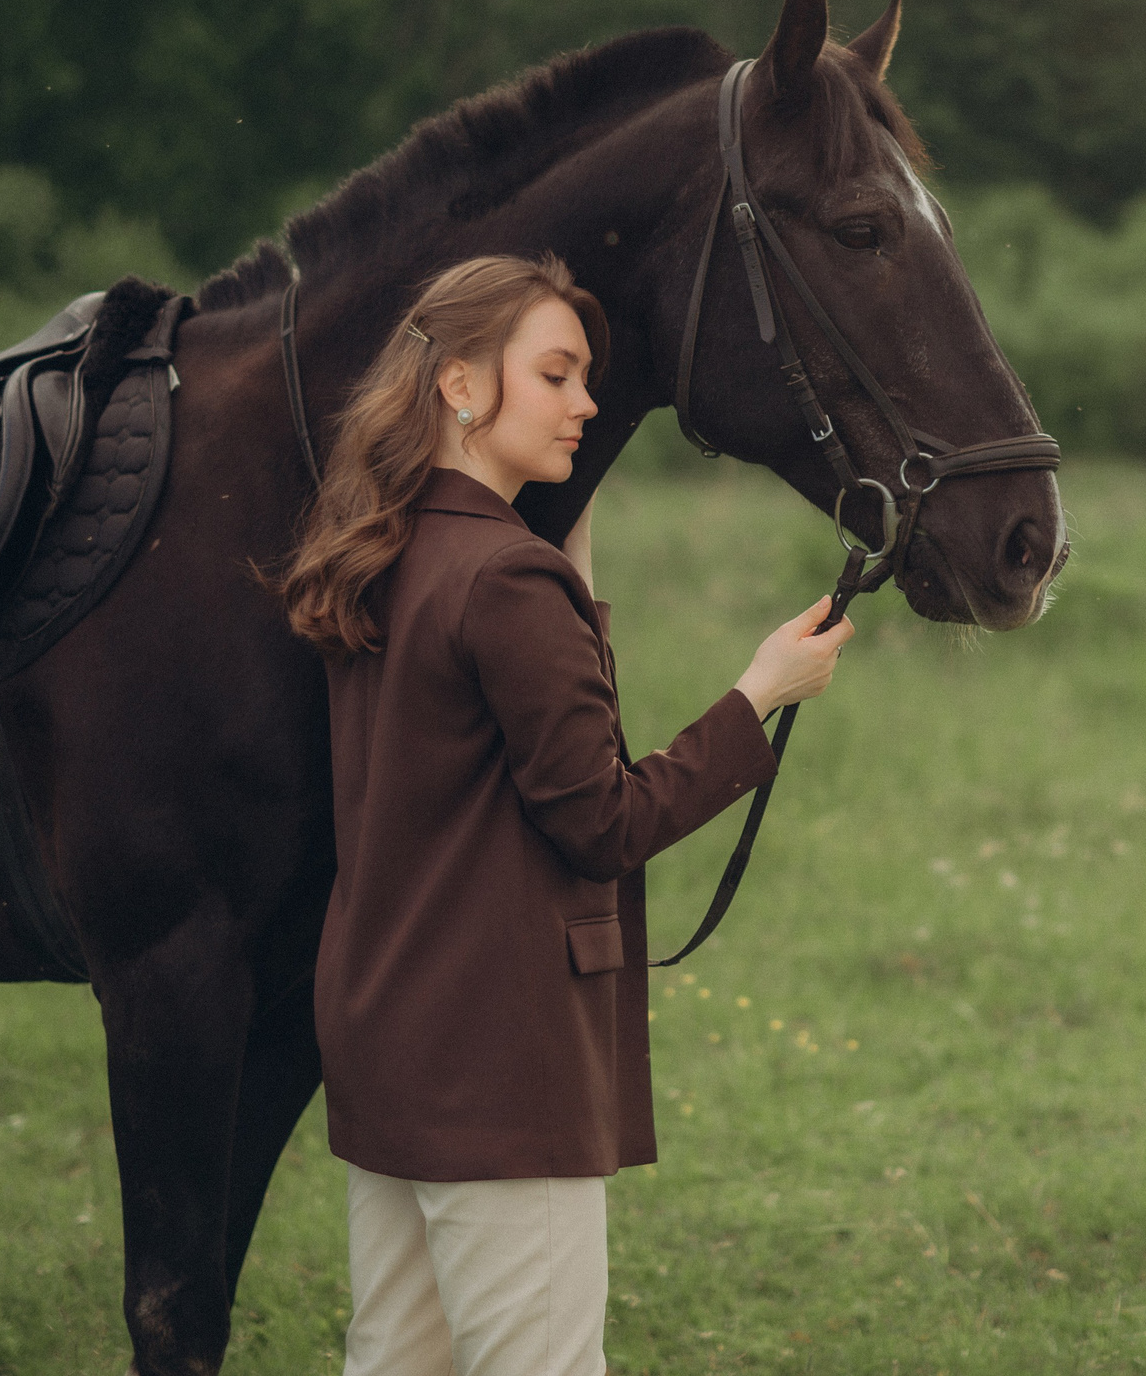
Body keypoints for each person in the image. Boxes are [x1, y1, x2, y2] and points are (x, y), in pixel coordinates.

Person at [280, 253, 851, 1376]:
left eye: (586, 377)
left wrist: (571, 584)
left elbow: (477, 761)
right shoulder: (503, 579)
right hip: (500, 1063)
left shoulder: (381, 552)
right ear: (458, 383)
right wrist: (759, 693)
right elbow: (602, 818)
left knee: (394, 1361)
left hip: (390, 1038)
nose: (587, 402)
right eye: (556, 373)